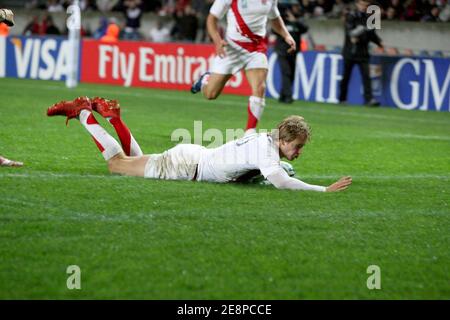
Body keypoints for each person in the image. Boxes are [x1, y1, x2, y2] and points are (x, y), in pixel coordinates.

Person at [46, 96, 352, 192]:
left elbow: (263, 172)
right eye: (296, 147)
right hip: (187, 166)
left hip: (192, 156)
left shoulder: (261, 138)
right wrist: (323, 190)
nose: (298, 153)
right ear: (283, 140)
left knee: (130, 161)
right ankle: (84, 113)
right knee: (117, 166)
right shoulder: (266, 151)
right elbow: (282, 182)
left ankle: (114, 118)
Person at [190, 0, 298, 135]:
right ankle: (205, 80)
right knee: (210, 94)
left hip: (255, 50)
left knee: (260, 88)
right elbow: (212, 19)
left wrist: (287, 35)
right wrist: (217, 40)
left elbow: (274, 18)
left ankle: (249, 133)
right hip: (232, 49)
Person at [339, 0, 383, 107]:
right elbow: (350, 33)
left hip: (363, 53)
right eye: (362, 4)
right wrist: (361, 30)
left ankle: (369, 100)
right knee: (346, 76)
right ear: (357, 4)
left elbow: (372, 34)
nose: (363, 6)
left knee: (366, 77)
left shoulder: (369, 17)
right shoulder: (350, 16)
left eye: (365, 5)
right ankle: (342, 98)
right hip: (350, 52)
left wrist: (379, 43)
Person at [274, 3, 309, 104]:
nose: (297, 9)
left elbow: (305, 29)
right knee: (286, 73)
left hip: (293, 52)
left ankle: (282, 95)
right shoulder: (282, 21)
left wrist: (295, 21)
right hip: (282, 51)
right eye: (295, 7)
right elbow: (274, 30)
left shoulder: (298, 21)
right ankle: (289, 96)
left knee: (291, 74)